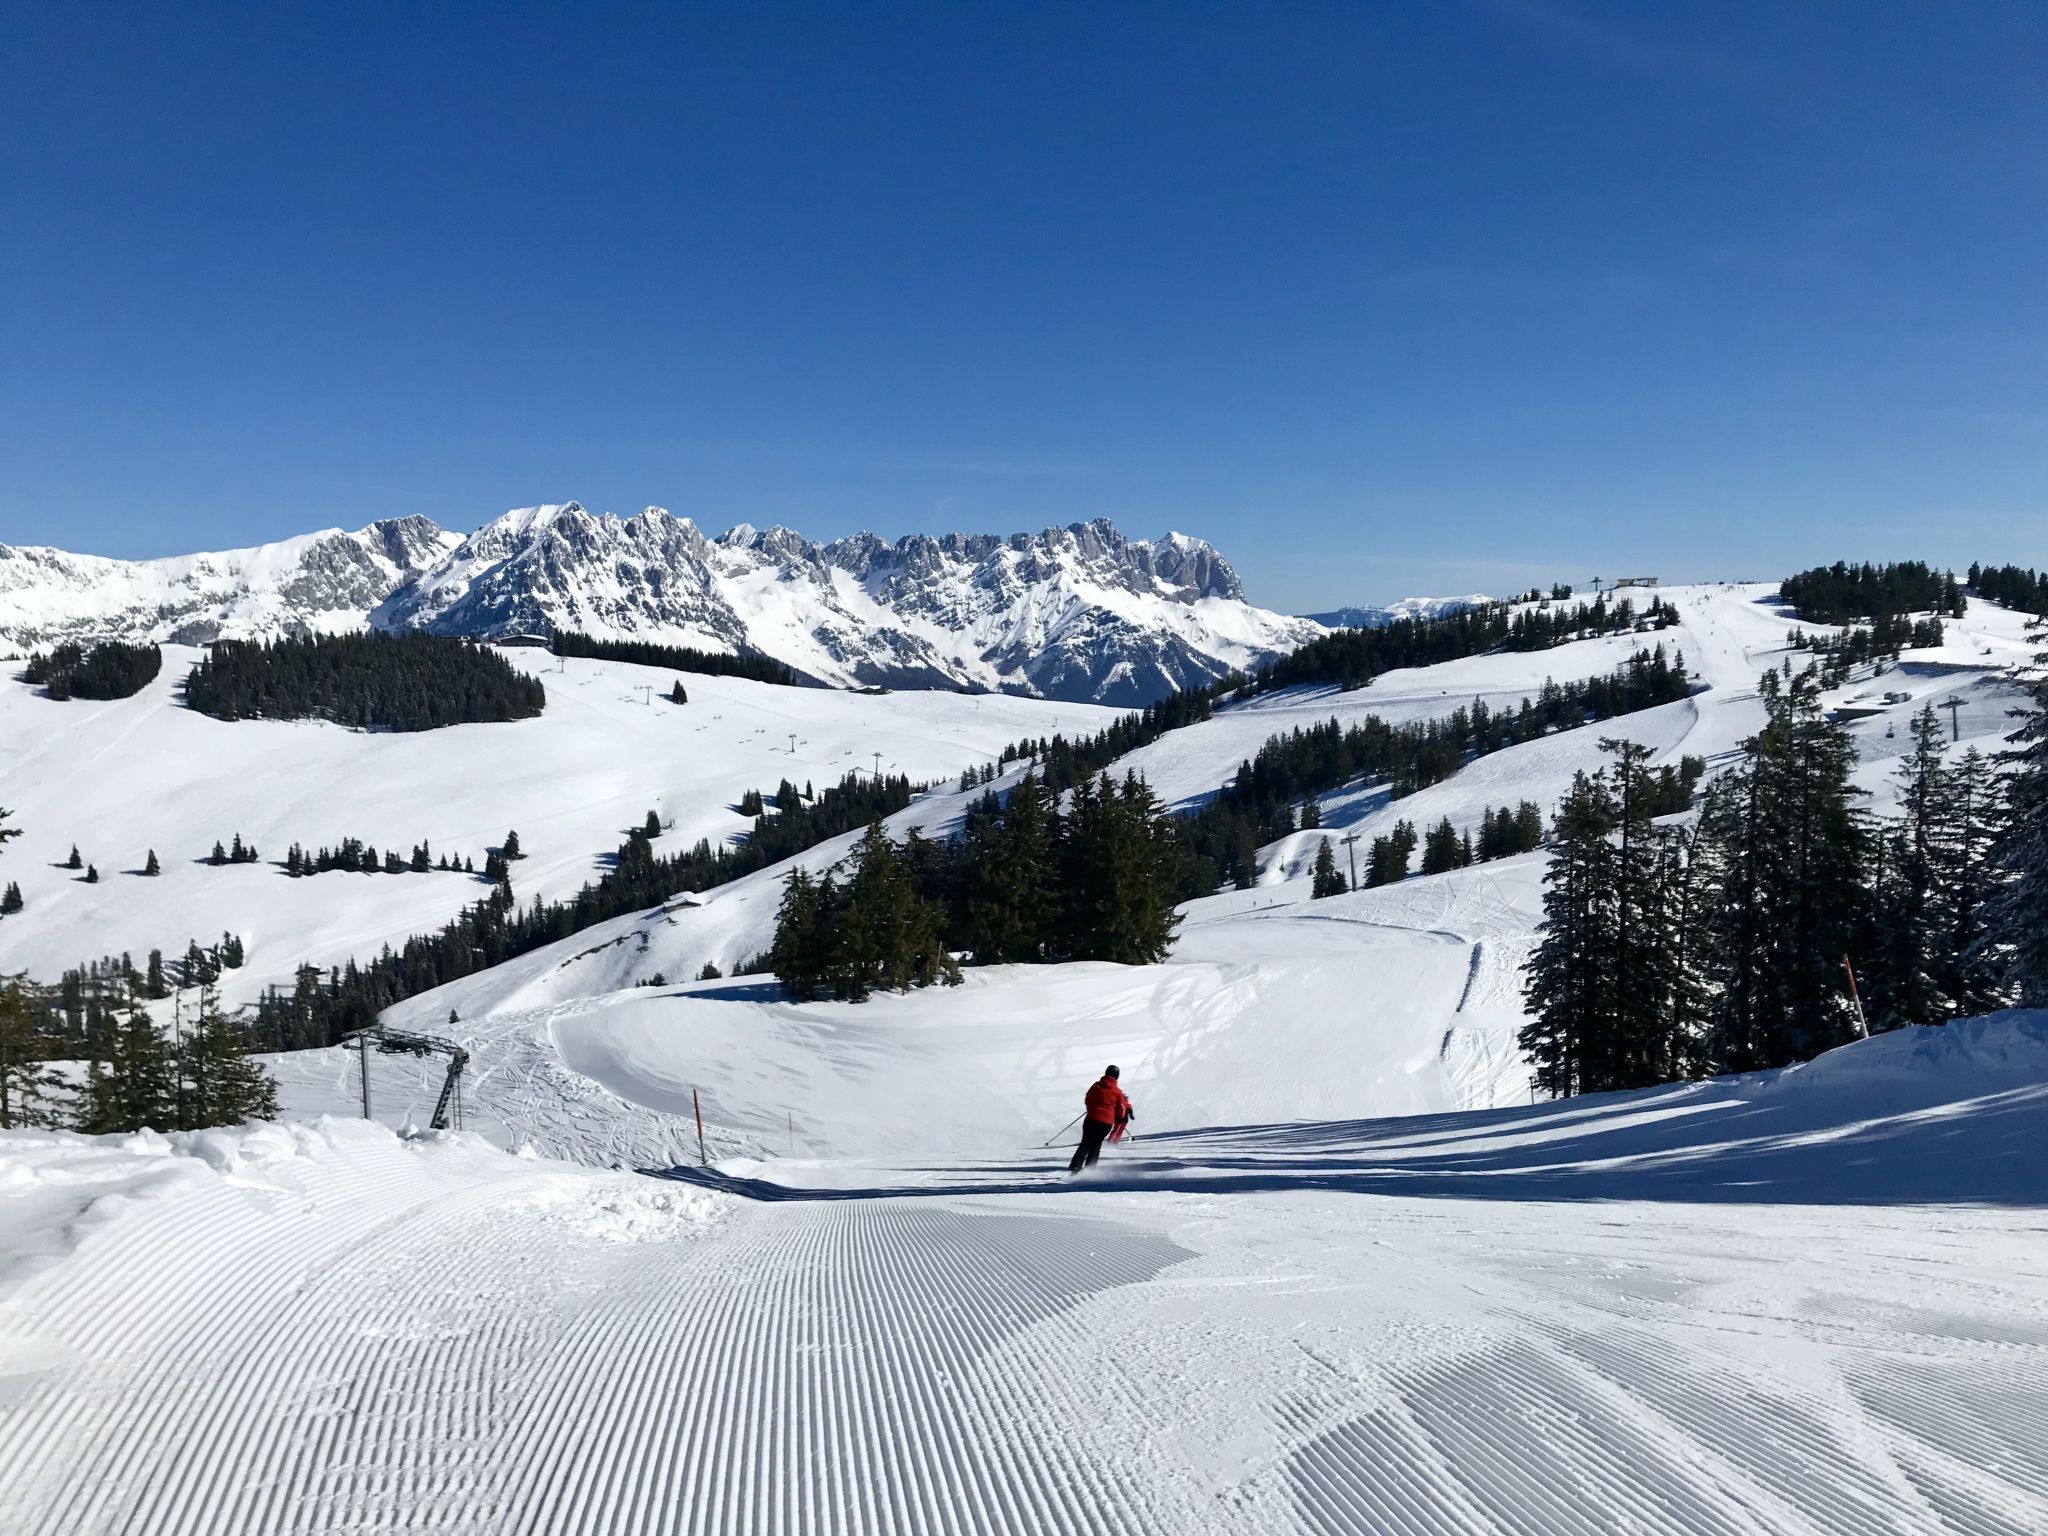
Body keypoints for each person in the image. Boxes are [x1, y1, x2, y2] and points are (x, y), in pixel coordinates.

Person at [1068, 1065, 1133, 1174]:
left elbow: (1088, 1098)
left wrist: (1091, 1108)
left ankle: (1075, 1167)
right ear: (1117, 1076)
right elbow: (1121, 1108)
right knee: (1096, 1144)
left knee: (1085, 1143)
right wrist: (1118, 1118)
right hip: (1106, 1123)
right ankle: (1090, 1169)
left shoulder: (1096, 1086)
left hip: (1092, 1118)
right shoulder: (1117, 1092)